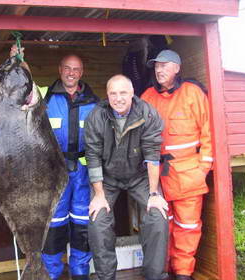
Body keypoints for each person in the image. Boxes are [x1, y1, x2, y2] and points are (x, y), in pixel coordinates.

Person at [10, 46, 99, 280]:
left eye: (76, 69)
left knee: (82, 226)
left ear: (82, 72)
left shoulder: (95, 102)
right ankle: (51, 273)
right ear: (60, 70)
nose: (71, 73)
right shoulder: (44, 95)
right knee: (54, 226)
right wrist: (19, 60)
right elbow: (25, 85)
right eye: (67, 68)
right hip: (53, 174)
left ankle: (80, 273)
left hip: (83, 174)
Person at [84, 74, 169, 280]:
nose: (118, 98)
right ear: (107, 95)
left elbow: (152, 156)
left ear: (132, 93)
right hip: (108, 178)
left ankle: (154, 276)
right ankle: (106, 277)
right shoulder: (96, 116)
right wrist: (98, 194)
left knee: (158, 216)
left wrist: (154, 193)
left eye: (123, 92)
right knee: (98, 220)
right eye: (113, 93)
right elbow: (92, 156)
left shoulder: (147, 113)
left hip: (140, 176)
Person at [141, 50, 213, 280]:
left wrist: (203, 169)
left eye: (164, 65)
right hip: (157, 177)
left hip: (188, 175)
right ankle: (165, 270)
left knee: (188, 227)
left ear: (177, 68)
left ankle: (183, 273)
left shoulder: (193, 94)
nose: (159, 70)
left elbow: (209, 133)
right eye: (156, 66)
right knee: (162, 227)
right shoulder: (147, 97)